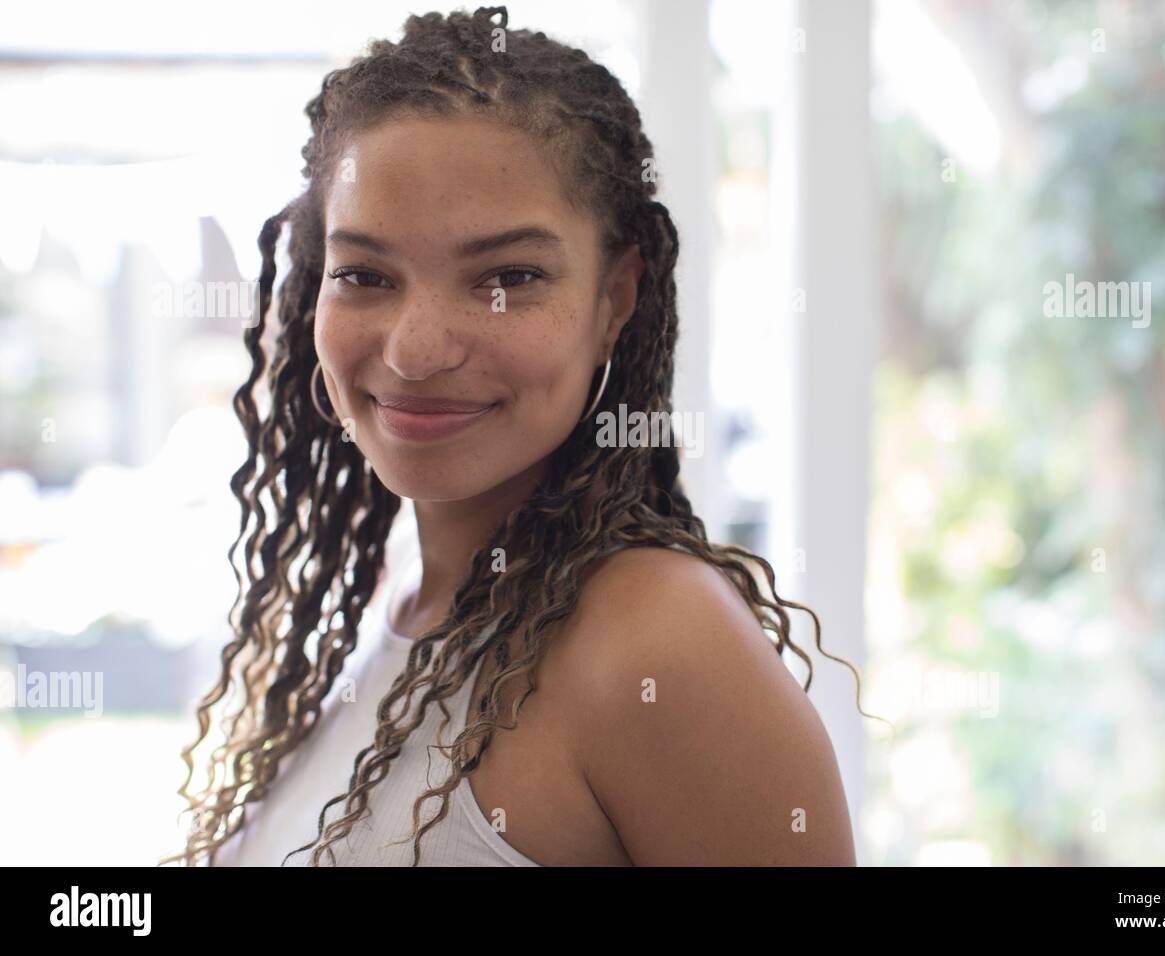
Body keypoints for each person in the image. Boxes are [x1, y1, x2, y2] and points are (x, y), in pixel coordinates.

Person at [161, 5, 877, 868]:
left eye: (509, 276)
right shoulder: (392, 613)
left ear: (616, 299)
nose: (416, 349)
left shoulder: (656, 640)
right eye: (364, 274)